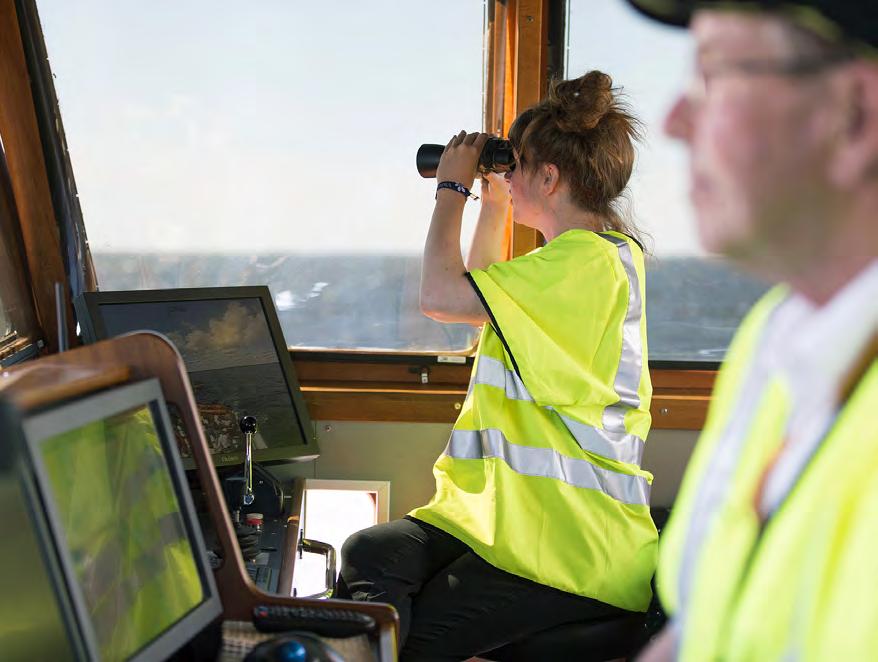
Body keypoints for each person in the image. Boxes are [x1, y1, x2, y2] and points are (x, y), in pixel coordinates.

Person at [335, 70, 658, 660]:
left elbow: (441, 295)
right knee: (369, 552)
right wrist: (493, 202)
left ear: (550, 177)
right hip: (502, 523)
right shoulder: (587, 259)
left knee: (408, 644)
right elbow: (475, 299)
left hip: (569, 550)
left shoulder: (583, 263)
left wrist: (450, 190)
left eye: (516, 164)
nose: (506, 172)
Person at [620, 1, 878, 660]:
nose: (676, 122)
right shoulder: (774, 339)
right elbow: (699, 631)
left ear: (857, 118)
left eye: (713, 73)